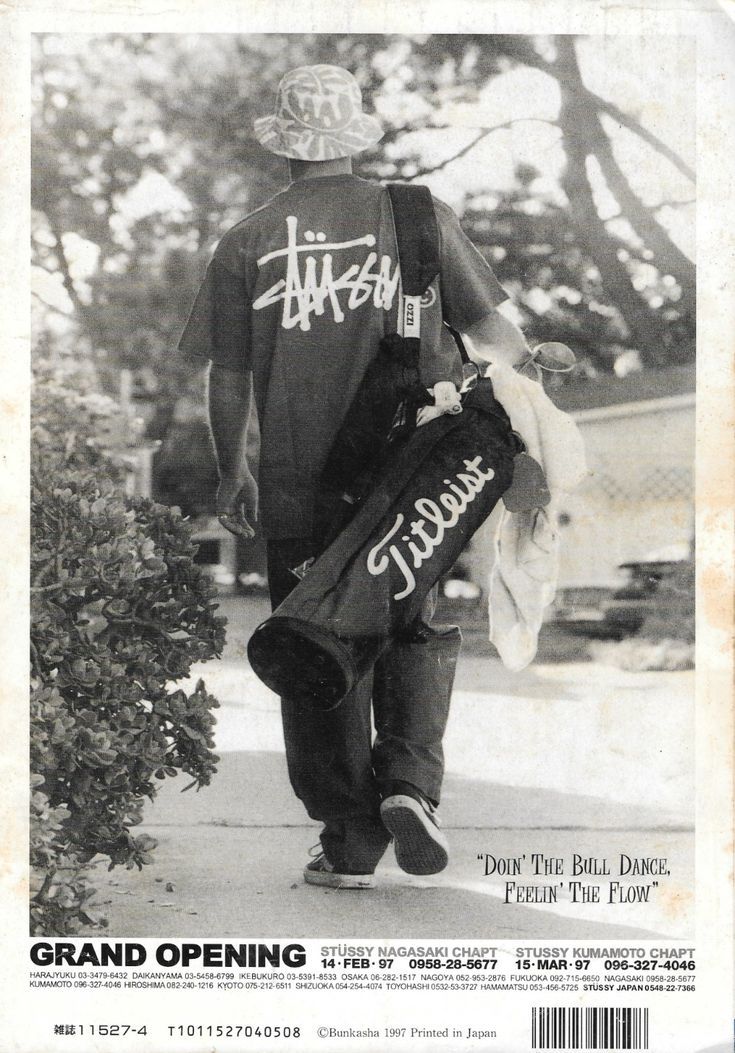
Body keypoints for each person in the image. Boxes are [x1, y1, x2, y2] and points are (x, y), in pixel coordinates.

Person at [178, 64, 532, 889]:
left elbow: (226, 375)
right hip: (414, 472)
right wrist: (519, 407)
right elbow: (492, 332)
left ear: (284, 146)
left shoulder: (247, 240)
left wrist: (236, 468)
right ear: (353, 135)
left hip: (301, 485)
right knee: (411, 618)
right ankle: (410, 784)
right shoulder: (416, 216)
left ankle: (349, 835)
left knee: (314, 640)